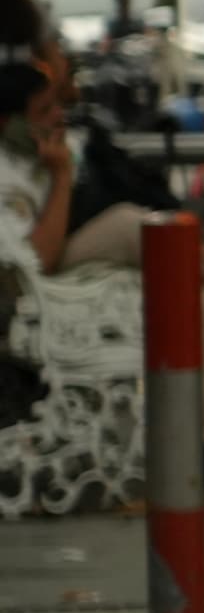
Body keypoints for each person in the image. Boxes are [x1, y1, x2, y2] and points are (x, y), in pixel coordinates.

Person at [0, 56, 147, 517]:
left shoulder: (52, 151)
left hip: (69, 272)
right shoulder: (9, 173)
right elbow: (39, 258)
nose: (57, 117)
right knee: (129, 226)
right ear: (12, 122)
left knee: (199, 307)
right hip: (37, 288)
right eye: (44, 111)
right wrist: (62, 176)